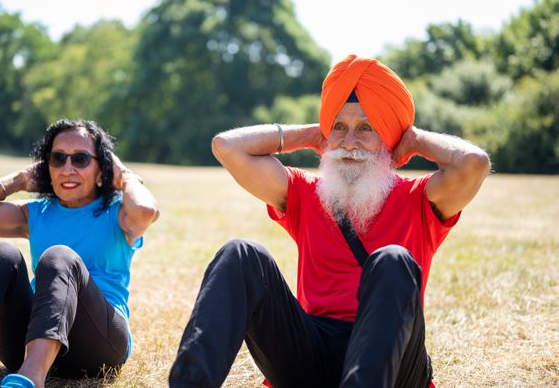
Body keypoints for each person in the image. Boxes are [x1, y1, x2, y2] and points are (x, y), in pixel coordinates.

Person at [169, 55, 491, 388]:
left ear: (388, 138)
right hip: (313, 352)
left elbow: (474, 164)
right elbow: (226, 147)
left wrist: (414, 139)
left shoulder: (419, 199)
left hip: (393, 362)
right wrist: (310, 134)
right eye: (339, 127)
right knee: (240, 254)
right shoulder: (306, 194)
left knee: (392, 259)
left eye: (366, 128)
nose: (349, 142)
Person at [0, 119, 159, 388]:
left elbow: (145, 211)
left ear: (102, 169)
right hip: (24, 344)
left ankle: (30, 379)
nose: (67, 168)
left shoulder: (119, 213)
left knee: (60, 256)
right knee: (0, 254)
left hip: (99, 348)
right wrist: (20, 180)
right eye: (57, 159)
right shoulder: (36, 213)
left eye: (80, 159)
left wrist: (125, 176)